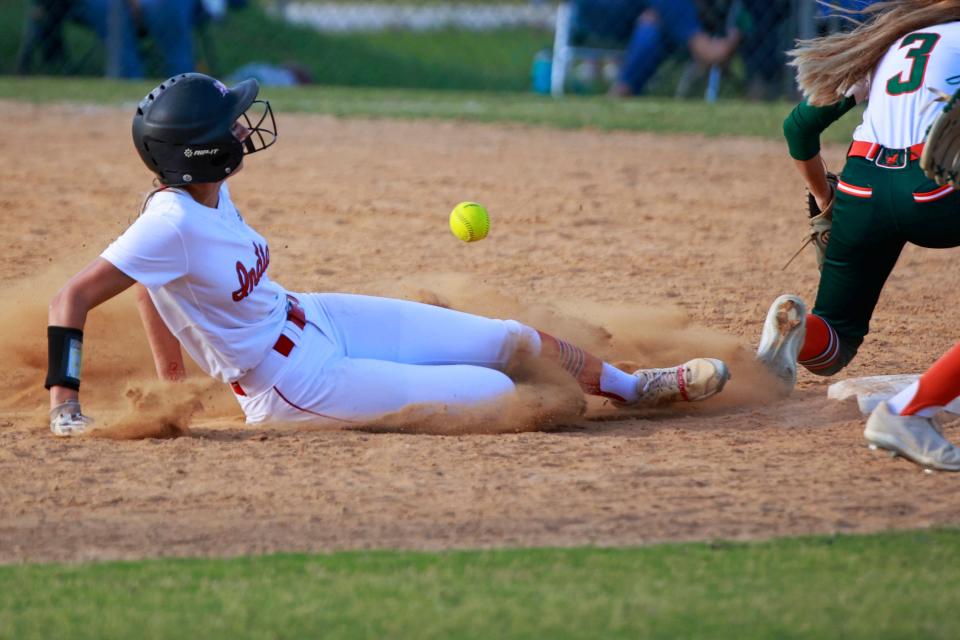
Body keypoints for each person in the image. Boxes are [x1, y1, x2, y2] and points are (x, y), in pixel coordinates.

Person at [44, 73, 731, 435]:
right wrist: (65, 409)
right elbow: (69, 300)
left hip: (316, 317)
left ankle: (634, 388)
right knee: (497, 393)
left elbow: (148, 287)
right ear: (198, 151)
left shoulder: (204, 196)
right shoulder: (167, 221)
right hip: (294, 388)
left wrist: (173, 390)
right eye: (230, 125)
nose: (245, 129)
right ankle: (598, 394)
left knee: (508, 341)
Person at [756, 1, 960, 468]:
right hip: (932, 192)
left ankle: (794, 329)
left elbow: (799, 127)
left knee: (832, 343)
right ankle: (909, 414)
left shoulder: (892, 43)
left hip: (860, 187)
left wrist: (827, 199)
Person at [571, 0, 741, 97]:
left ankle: (621, 93)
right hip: (604, 11)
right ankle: (700, 43)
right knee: (659, 18)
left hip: (655, 15)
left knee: (653, 25)